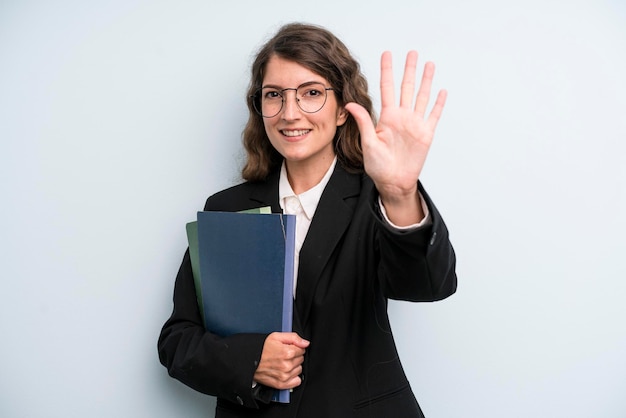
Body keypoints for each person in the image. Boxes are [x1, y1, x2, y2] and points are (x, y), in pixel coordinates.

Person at [158, 22, 457, 418]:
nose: (289, 113)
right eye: (274, 96)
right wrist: (251, 361)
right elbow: (178, 342)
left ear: (342, 110)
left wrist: (400, 194)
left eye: (311, 93)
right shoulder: (226, 208)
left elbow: (428, 285)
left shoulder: (378, 199)